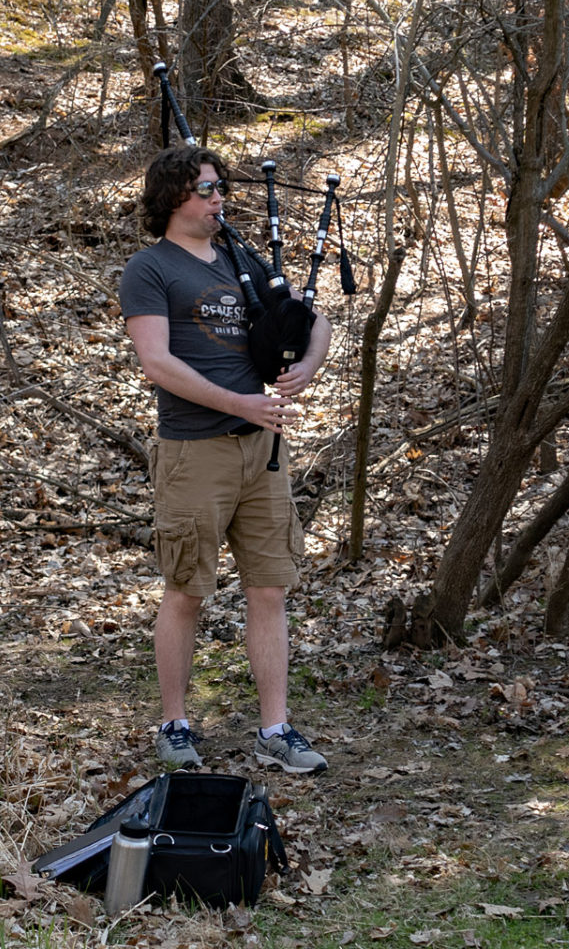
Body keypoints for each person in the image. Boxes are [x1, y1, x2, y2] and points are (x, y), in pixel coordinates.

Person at [119, 145, 332, 775]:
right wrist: (238, 401)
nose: (220, 201)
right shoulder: (149, 269)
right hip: (193, 452)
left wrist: (306, 369)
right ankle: (176, 724)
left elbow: (311, 321)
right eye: (208, 191)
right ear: (173, 199)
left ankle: (275, 728)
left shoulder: (240, 257)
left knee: (269, 588)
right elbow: (157, 362)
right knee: (186, 589)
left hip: (261, 451)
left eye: (220, 191)